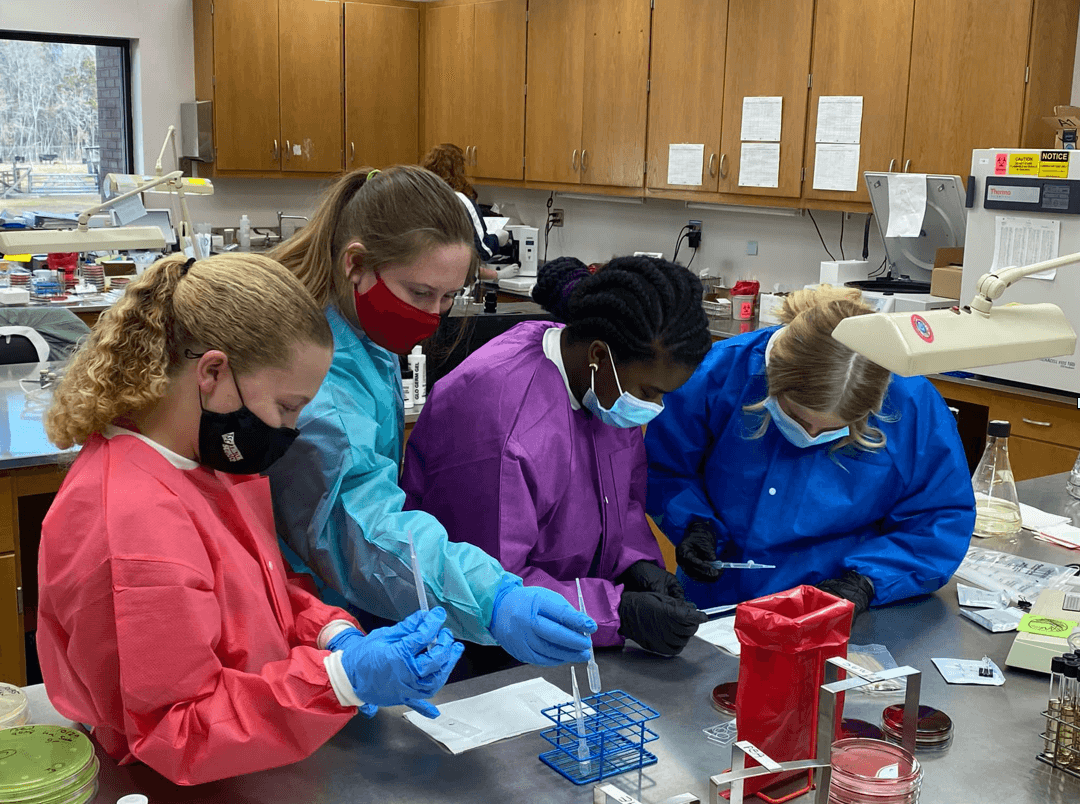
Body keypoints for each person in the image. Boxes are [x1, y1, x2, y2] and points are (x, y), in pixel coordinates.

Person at [36, 254, 463, 786]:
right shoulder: (136, 521)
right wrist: (338, 682)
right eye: (287, 407)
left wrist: (333, 637)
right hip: (172, 781)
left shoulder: (209, 462)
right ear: (212, 372)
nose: (291, 428)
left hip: (255, 752)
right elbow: (179, 729)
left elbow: (262, 590)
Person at [268, 165, 596, 668]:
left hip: (326, 605)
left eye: (447, 298)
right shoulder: (319, 372)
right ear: (356, 263)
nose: (432, 314)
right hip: (301, 621)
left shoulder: (359, 333)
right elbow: (361, 526)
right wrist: (491, 597)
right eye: (419, 293)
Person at [401, 255, 712, 657]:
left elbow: (623, 502)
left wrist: (637, 567)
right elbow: (489, 585)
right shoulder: (498, 420)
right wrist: (618, 611)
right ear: (599, 355)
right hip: (484, 646)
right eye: (650, 392)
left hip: (572, 634)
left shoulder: (600, 384)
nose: (653, 406)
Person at [645, 286, 976, 617]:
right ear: (773, 382)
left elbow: (938, 516)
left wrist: (868, 581)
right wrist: (692, 525)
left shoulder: (911, 405)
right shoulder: (720, 375)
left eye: (832, 430)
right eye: (797, 417)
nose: (810, 435)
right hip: (716, 599)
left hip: (832, 608)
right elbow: (665, 468)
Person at [420, 142, 501, 279]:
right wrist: (499, 238)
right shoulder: (460, 201)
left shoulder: (422, 197)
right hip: (452, 280)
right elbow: (482, 250)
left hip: (422, 274)